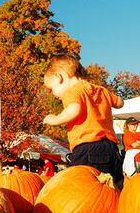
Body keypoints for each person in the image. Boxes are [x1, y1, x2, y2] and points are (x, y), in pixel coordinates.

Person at [42, 54, 125, 188]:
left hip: (88, 148)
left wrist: (54, 119)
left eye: (52, 89)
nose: (53, 94)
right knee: (114, 187)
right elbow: (120, 102)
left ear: (60, 77)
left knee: (82, 187)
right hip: (111, 148)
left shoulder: (72, 91)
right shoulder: (101, 90)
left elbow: (75, 109)